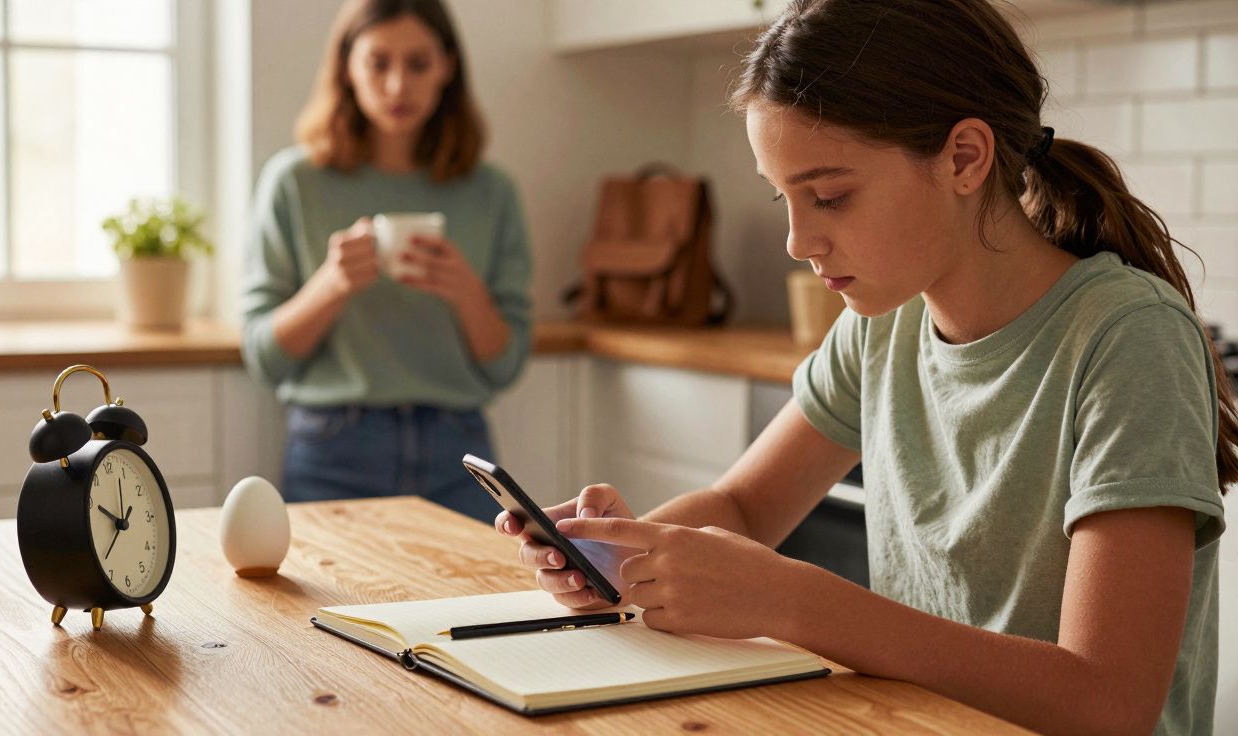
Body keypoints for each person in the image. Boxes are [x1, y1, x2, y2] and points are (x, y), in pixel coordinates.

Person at [497, 1, 1235, 733]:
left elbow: (1107, 703)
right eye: (784, 197)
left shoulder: (1128, 338)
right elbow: (746, 508)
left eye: (828, 196)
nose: (796, 240)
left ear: (965, 158)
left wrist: (796, 601)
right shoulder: (883, 325)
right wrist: (622, 557)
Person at [241, 0, 531, 525]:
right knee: (327, 608)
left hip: (459, 451)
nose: (399, 86)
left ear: (446, 65)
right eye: (379, 63)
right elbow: (266, 357)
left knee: (479, 608)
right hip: (333, 449)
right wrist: (331, 285)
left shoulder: (491, 192)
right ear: (347, 65)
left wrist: (466, 291)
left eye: (418, 64)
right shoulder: (294, 183)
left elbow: (506, 364)